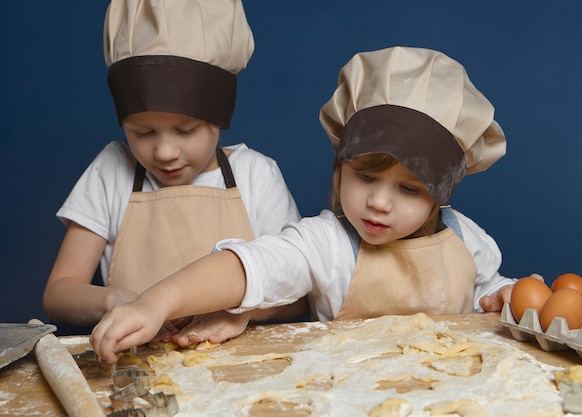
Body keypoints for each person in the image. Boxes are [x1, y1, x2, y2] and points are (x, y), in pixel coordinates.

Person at [91, 46, 522, 363]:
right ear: (339, 168)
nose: (378, 202)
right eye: (365, 177)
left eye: (409, 189)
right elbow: (248, 267)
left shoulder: (468, 239)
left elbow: (483, 289)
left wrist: (502, 293)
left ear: (441, 196)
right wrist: (156, 303)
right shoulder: (325, 244)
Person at [42, 0, 302, 345]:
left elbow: (297, 293)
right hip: (137, 370)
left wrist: (241, 310)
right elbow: (58, 293)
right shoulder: (111, 170)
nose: (164, 152)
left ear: (219, 119)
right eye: (143, 132)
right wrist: (114, 300)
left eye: (185, 131)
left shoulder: (255, 174)